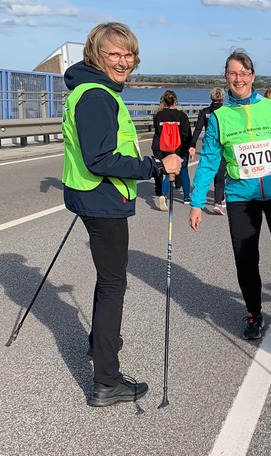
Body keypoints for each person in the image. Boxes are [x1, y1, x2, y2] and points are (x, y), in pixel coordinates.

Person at [61, 22, 182, 407]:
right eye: (114, 54)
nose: (123, 61)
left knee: (107, 281)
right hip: (102, 199)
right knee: (114, 286)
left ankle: (102, 342)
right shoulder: (96, 95)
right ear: (96, 54)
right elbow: (99, 159)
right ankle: (107, 382)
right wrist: (154, 167)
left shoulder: (91, 89)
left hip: (92, 198)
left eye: (128, 54)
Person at [188, 49, 271, 340]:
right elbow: (209, 161)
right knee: (245, 258)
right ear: (226, 77)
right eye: (233, 73)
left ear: (253, 76)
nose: (239, 79)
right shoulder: (219, 117)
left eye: (244, 73)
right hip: (241, 196)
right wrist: (197, 203)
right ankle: (253, 313)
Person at [189, 87, 227, 215]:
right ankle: (218, 201)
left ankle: (203, 199)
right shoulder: (226, 111)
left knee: (207, 171)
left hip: (210, 146)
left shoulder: (205, 112)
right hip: (224, 146)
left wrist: (192, 144)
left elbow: (198, 129)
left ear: (211, 98)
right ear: (223, 98)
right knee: (220, 174)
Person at [152, 90, 193, 207]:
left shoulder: (159, 116)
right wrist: (188, 148)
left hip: (165, 148)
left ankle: (163, 194)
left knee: (169, 172)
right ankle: (186, 197)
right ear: (175, 101)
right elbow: (187, 135)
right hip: (180, 148)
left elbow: (158, 132)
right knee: (183, 172)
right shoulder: (182, 116)